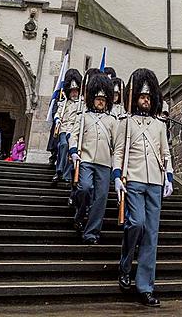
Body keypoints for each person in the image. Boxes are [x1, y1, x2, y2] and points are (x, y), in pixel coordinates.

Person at [113, 68, 173, 307]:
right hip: (134, 179)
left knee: (151, 235)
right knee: (136, 223)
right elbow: (119, 151)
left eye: (149, 97)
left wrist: (169, 176)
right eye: (142, 96)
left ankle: (145, 286)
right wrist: (117, 176)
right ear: (135, 97)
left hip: (155, 182)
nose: (146, 100)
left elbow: (165, 152)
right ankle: (125, 264)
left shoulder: (159, 125)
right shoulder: (125, 123)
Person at [69, 74, 117, 244]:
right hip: (86, 160)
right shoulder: (84, 117)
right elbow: (73, 135)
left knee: (101, 198)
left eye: (104, 99)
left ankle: (91, 232)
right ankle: (80, 214)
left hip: (104, 163)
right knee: (84, 189)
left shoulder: (112, 120)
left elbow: (116, 144)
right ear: (92, 99)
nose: (100, 102)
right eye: (98, 99)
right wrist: (74, 151)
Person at [52, 69, 82, 185]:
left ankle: (66, 174)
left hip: (74, 130)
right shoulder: (64, 102)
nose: (74, 93)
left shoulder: (81, 103)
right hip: (64, 129)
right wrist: (57, 119)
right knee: (63, 145)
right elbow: (58, 113)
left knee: (72, 150)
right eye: (72, 91)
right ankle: (59, 170)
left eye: (76, 91)